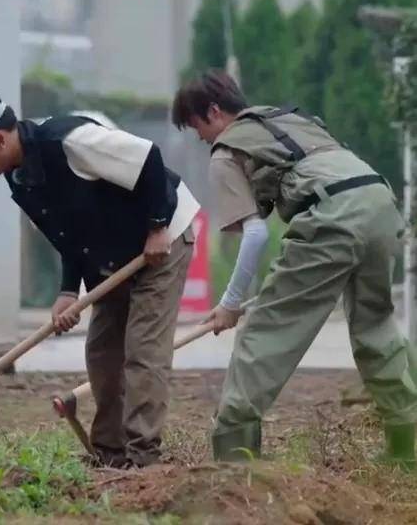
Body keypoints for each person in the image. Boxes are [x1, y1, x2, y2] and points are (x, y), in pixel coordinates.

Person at [172, 70, 417, 467]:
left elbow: (254, 235)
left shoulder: (226, 150)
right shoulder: (284, 118)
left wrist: (231, 303)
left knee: (267, 328)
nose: (199, 138)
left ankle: (235, 454)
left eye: (196, 127)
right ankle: (405, 448)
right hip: (379, 200)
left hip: (332, 215)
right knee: (376, 325)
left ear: (214, 112)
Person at [0, 90, 200, 467]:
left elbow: (148, 156)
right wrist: (68, 290)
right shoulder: (19, 177)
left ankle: (143, 456)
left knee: (143, 351)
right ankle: (111, 453)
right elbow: (67, 234)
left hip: (162, 241)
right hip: (114, 257)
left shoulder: (69, 141)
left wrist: (158, 226)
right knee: (102, 352)